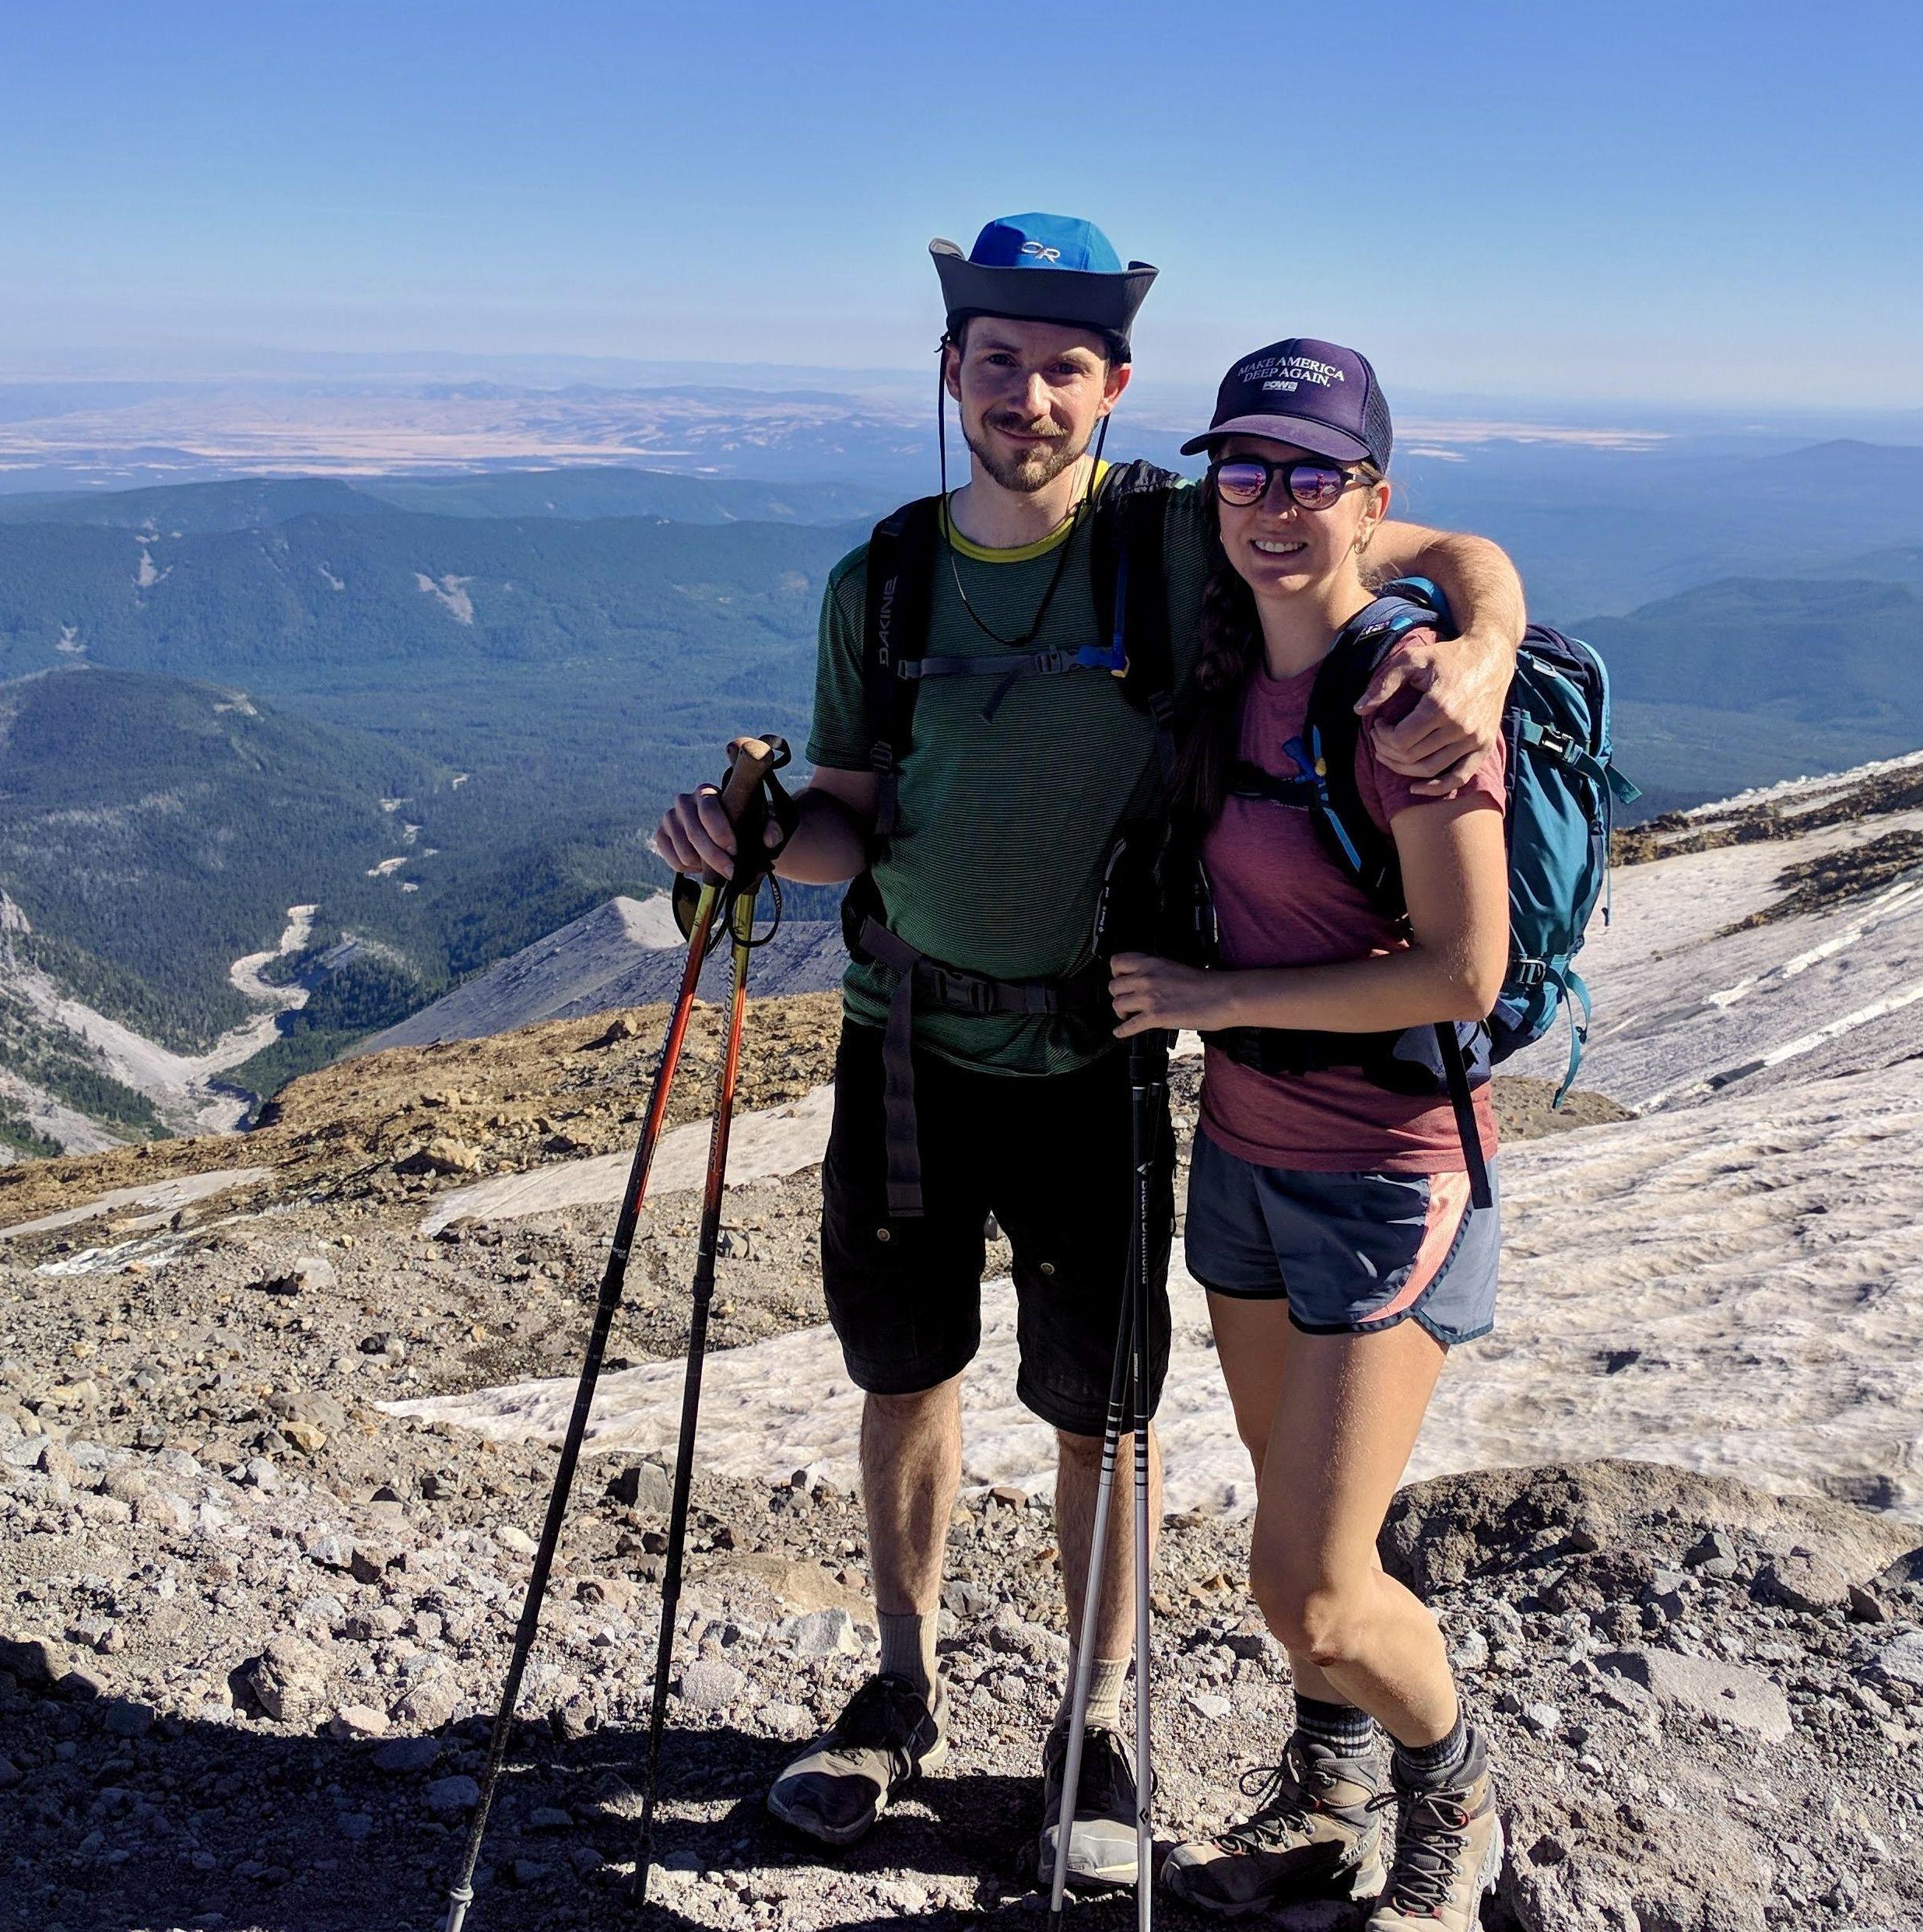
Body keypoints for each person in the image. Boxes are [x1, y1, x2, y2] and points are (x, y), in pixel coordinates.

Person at [653, 223, 1525, 1890]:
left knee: (1097, 1412)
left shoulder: (1191, 538)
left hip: (1101, 1055)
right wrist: (753, 840)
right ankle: (897, 1690)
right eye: (998, 363)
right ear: (952, 373)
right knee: (903, 1374)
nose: (1028, 397)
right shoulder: (885, 579)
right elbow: (854, 815)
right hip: (903, 1041)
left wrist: (1476, 655)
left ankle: (1099, 1719)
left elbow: (1450, 551)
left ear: (1114, 386)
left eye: (1063, 368)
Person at [1105, 339, 1509, 1930]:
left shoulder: (1408, 692)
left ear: (1373, 500)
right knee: (1295, 1527)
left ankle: (1454, 1792)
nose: (1273, 504)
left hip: (1386, 1176)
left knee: (1313, 1587)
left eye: (1312, 475)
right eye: (1246, 470)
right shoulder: (1229, 655)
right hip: (1252, 1162)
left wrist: (1204, 993)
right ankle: (1331, 1801)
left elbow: (1461, 968)